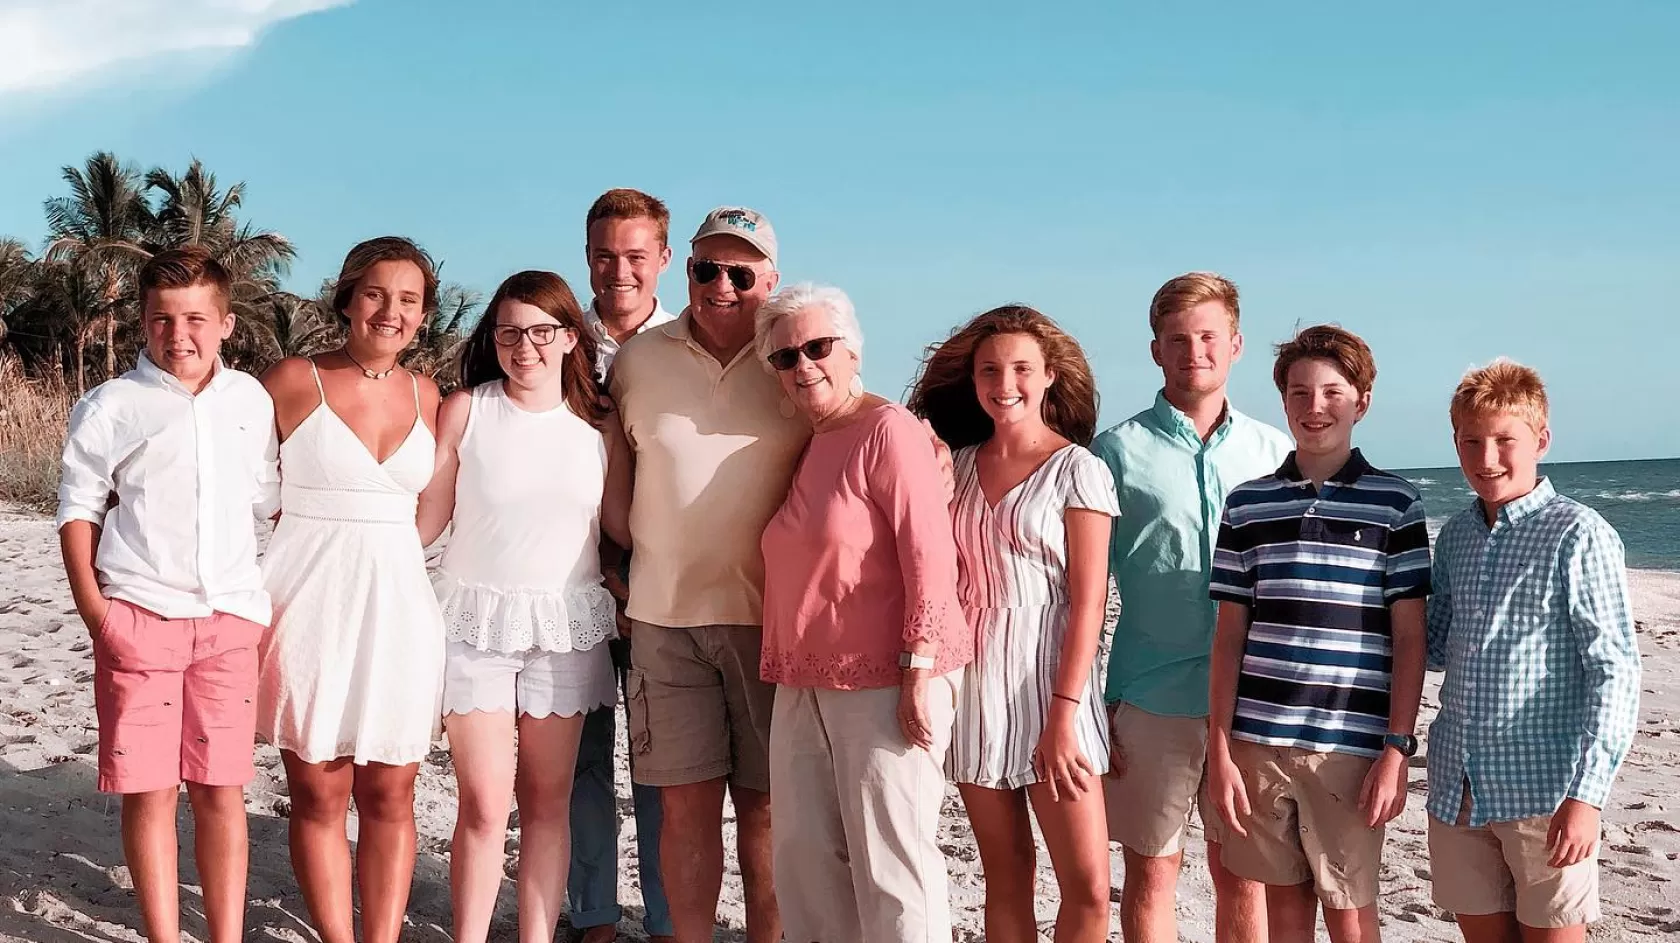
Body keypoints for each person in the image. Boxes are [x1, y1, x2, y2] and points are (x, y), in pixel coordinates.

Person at [57, 247, 278, 943]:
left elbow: (266, 499)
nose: (178, 334)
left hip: (228, 621)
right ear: (143, 323)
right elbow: (77, 510)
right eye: (161, 319)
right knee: (151, 792)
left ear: (226, 323)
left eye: (194, 319)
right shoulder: (113, 404)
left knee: (220, 789)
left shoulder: (250, 399)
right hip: (139, 617)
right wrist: (100, 616)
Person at [416, 271, 633, 943]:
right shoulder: (466, 408)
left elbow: (624, 527)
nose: (524, 346)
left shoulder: (600, 425)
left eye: (541, 331)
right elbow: (426, 519)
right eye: (509, 331)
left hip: (565, 624)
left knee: (547, 806)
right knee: (482, 804)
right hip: (474, 621)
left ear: (571, 337)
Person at [757, 283, 972, 943]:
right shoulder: (813, 440)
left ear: (851, 350)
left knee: (894, 861)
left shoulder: (889, 429)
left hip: (888, 675)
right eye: (786, 356)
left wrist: (918, 668)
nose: (804, 366)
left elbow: (929, 554)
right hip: (804, 676)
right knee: (805, 860)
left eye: (818, 347)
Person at [609, 206, 798, 943]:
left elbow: (855, 424)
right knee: (683, 812)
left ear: (770, 281)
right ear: (683, 269)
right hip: (662, 621)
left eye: (740, 271)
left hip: (772, 626)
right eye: (705, 268)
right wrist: (616, 568)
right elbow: (610, 477)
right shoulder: (637, 360)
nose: (721, 283)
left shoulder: (796, 354)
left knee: (767, 811)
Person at [1206, 325, 1431, 943]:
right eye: (1299, 392)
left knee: (1351, 911)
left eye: (1333, 391)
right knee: (1283, 905)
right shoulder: (1247, 505)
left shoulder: (1396, 504)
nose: (1315, 407)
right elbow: (1230, 637)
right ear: (1282, 401)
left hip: (1350, 749)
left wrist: (1395, 751)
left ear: (1362, 400)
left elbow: (1409, 640)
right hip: (1259, 741)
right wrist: (1221, 750)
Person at [256, 236, 447, 943]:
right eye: (375, 293)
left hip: (397, 604)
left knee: (393, 789)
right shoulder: (290, 379)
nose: (390, 311)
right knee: (319, 788)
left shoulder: (430, 395)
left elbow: (434, 513)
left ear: (423, 315)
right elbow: (243, 490)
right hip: (308, 599)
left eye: (407, 299)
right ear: (345, 298)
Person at [1089, 272, 1288, 943]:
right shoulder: (1114, 453)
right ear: (1156, 350)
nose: (1193, 350)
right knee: (1152, 871)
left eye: (1207, 336)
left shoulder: (1277, 453)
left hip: (1257, 699)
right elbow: (1084, 589)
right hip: (1151, 694)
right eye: (1178, 338)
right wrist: (1092, 699)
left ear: (1234, 344)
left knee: (1244, 873)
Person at [910, 305, 1115, 943]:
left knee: (1087, 886)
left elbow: (1088, 601)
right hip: (974, 688)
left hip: (1057, 691)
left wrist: (1062, 715)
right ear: (972, 381)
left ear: (1050, 376)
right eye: (990, 370)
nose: (1006, 383)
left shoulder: (1079, 468)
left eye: (1023, 368)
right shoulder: (958, 465)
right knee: (1006, 876)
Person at [1425, 360, 1641, 943]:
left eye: (1504, 440)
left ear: (1541, 440)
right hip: (1458, 788)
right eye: (1472, 441)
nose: (1487, 456)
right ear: (1456, 442)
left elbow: (1614, 672)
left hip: (1546, 791)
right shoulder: (1457, 534)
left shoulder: (1579, 532)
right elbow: (1436, 644)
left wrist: (1588, 798)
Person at [569, 188, 677, 943]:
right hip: (566, 581)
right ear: (588, 257)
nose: (620, 270)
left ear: (663, 259)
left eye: (636, 255)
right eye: (606, 255)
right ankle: (595, 915)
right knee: (580, 763)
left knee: (663, 766)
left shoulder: (691, 345)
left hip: (661, 585)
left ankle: (671, 919)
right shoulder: (553, 341)